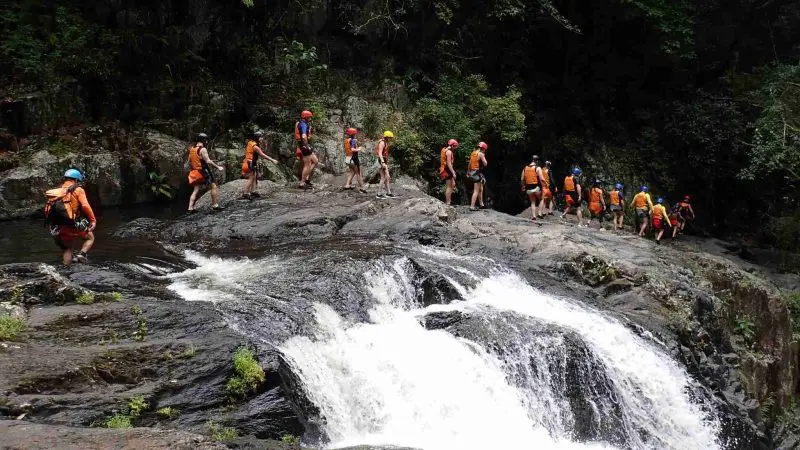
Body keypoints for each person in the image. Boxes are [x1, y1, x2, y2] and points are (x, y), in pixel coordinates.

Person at [45, 169, 96, 266]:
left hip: (57, 225)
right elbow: (85, 206)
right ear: (76, 180)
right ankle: (81, 255)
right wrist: (93, 220)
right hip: (73, 223)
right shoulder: (78, 190)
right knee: (90, 238)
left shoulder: (57, 191)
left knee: (67, 248)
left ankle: (66, 270)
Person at [187, 133, 224, 213]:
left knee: (196, 189)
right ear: (204, 140)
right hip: (203, 171)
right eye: (206, 140)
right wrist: (218, 167)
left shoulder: (192, 149)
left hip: (194, 172)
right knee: (213, 186)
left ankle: (190, 208)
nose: (207, 141)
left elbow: (190, 160)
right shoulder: (202, 149)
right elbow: (208, 161)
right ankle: (215, 206)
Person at [241, 130, 278, 200]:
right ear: (257, 138)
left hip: (247, 162)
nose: (262, 139)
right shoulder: (255, 147)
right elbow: (263, 155)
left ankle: (253, 191)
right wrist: (272, 160)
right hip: (250, 164)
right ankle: (245, 193)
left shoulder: (250, 142)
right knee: (251, 178)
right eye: (260, 137)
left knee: (254, 176)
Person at [295, 110, 317, 188]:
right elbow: (304, 137)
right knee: (307, 165)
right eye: (310, 117)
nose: (310, 118)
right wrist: (307, 146)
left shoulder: (300, 123)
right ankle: (302, 183)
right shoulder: (303, 124)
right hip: (304, 146)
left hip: (303, 145)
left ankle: (306, 179)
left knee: (315, 161)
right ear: (307, 117)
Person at [343, 128, 367, 193]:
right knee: (358, 174)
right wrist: (359, 149)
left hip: (348, 159)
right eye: (355, 133)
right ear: (353, 134)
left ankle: (347, 185)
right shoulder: (353, 140)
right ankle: (362, 188)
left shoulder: (346, 140)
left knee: (352, 172)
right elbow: (353, 149)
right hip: (353, 159)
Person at [520, 155, 543, 221]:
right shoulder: (537, 168)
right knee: (541, 199)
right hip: (536, 187)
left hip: (528, 188)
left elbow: (522, 179)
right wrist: (545, 185)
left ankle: (534, 216)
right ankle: (539, 213)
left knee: (533, 202)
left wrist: (523, 186)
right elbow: (541, 179)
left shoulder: (525, 168)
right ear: (537, 161)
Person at [467, 142, 488, 211]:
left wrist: (468, 172)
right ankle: (472, 206)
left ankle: (481, 204)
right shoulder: (481, 154)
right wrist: (483, 156)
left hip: (473, 172)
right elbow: (485, 164)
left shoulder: (473, 152)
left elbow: (470, 163)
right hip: (477, 173)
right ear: (484, 148)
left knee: (481, 189)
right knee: (476, 190)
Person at [375, 130, 395, 198]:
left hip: (384, 160)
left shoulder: (385, 142)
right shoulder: (382, 143)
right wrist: (383, 162)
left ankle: (388, 193)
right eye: (390, 137)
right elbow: (380, 153)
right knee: (384, 177)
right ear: (386, 137)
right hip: (381, 160)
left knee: (386, 178)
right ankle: (379, 194)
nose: (390, 139)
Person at [439, 139, 459, 205]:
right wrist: (453, 172)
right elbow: (449, 164)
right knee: (449, 187)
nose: (456, 148)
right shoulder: (449, 152)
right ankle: (448, 202)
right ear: (452, 145)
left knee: (453, 184)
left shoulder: (444, 149)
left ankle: (449, 200)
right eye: (455, 146)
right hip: (447, 170)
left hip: (444, 169)